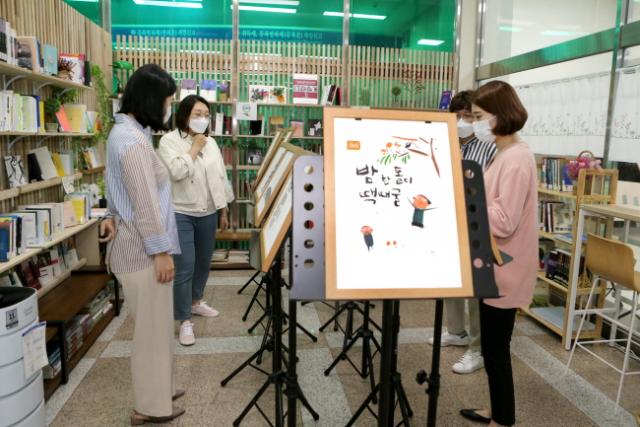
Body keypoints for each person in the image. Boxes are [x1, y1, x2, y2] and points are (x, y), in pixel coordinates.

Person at [99, 64, 185, 425]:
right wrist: (161, 252)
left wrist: (109, 213)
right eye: (167, 100)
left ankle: (161, 388)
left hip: (137, 246)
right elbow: (146, 203)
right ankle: (149, 407)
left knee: (158, 326)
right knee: (151, 332)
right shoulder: (132, 142)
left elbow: (117, 188)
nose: (169, 107)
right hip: (142, 253)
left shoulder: (128, 132)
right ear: (152, 100)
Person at [460, 81, 537, 426]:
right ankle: (498, 410)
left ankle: (503, 420)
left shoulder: (516, 158)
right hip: (494, 266)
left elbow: (504, 221)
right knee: (493, 350)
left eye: (479, 117)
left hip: (506, 268)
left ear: (500, 114)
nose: (475, 124)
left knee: (496, 351)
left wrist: (467, 200)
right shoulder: (503, 153)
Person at [428, 90, 496, 375]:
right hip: (450, 219)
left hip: (477, 221)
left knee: (476, 287)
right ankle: (456, 332)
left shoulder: (488, 147)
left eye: (468, 116)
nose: (462, 121)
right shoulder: (449, 143)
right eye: (456, 116)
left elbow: (488, 187)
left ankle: (478, 348)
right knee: (451, 279)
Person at [157, 95, 234, 346]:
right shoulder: (169, 141)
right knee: (185, 266)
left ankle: (196, 302)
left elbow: (220, 177)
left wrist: (223, 210)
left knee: (203, 263)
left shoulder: (212, 143)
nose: (203, 119)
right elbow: (176, 172)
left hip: (208, 212)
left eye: (206, 115)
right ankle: (184, 320)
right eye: (197, 114)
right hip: (181, 212)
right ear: (185, 115)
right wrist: (194, 148)